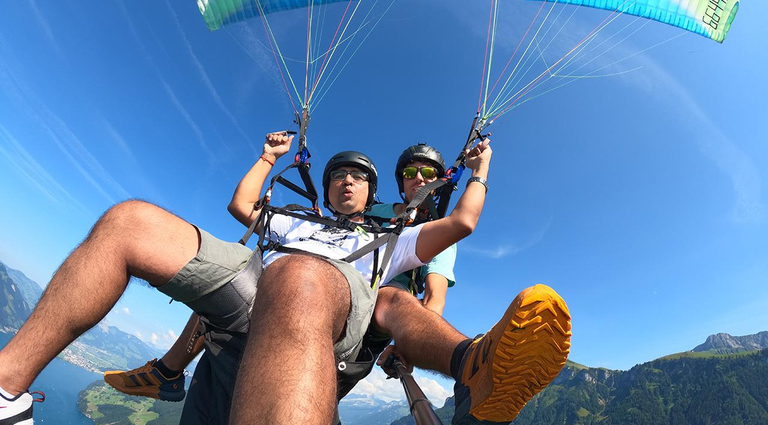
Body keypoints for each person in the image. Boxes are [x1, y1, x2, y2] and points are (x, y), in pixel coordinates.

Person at [0, 132, 570, 425]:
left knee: (303, 276)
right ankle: (7, 390)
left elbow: (463, 222)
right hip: (248, 301)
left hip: (324, 310)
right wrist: (268, 157)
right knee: (130, 220)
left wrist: (482, 171)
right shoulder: (289, 220)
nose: (347, 183)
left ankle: (475, 365)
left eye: (358, 179)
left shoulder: (384, 242)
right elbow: (240, 206)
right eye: (338, 177)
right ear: (324, 189)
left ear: (374, 194)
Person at [103, 142, 458, 403]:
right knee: (245, 267)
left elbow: (435, 295)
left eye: (428, 174)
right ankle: (168, 370)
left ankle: (466, 361)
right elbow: (254, 210)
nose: (419, 179)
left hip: (373, 310)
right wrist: (271, 159)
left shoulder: (431, 236)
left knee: (391, 297)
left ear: (441, 181)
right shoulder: (372, 209)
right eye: (411, 172)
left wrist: (404, 346)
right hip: (314, 278)